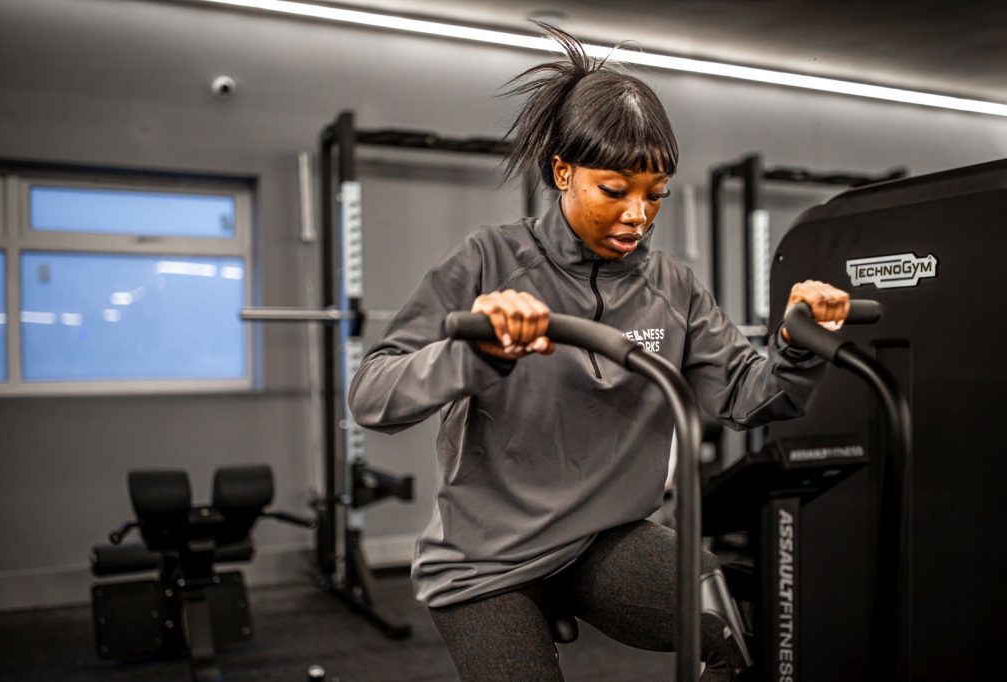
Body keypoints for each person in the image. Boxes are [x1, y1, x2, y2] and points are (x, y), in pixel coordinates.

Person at [348, 25, 849, 682]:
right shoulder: (489, 261)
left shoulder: (672, 286)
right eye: (615, 191)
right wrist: (473, 355)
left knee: (750, 624)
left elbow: (751, 398)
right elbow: (373, 394)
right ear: (563, 172)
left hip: (606, 540)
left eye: (655, 194)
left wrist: (795, 343)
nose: (638, 215)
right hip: (487, 563)